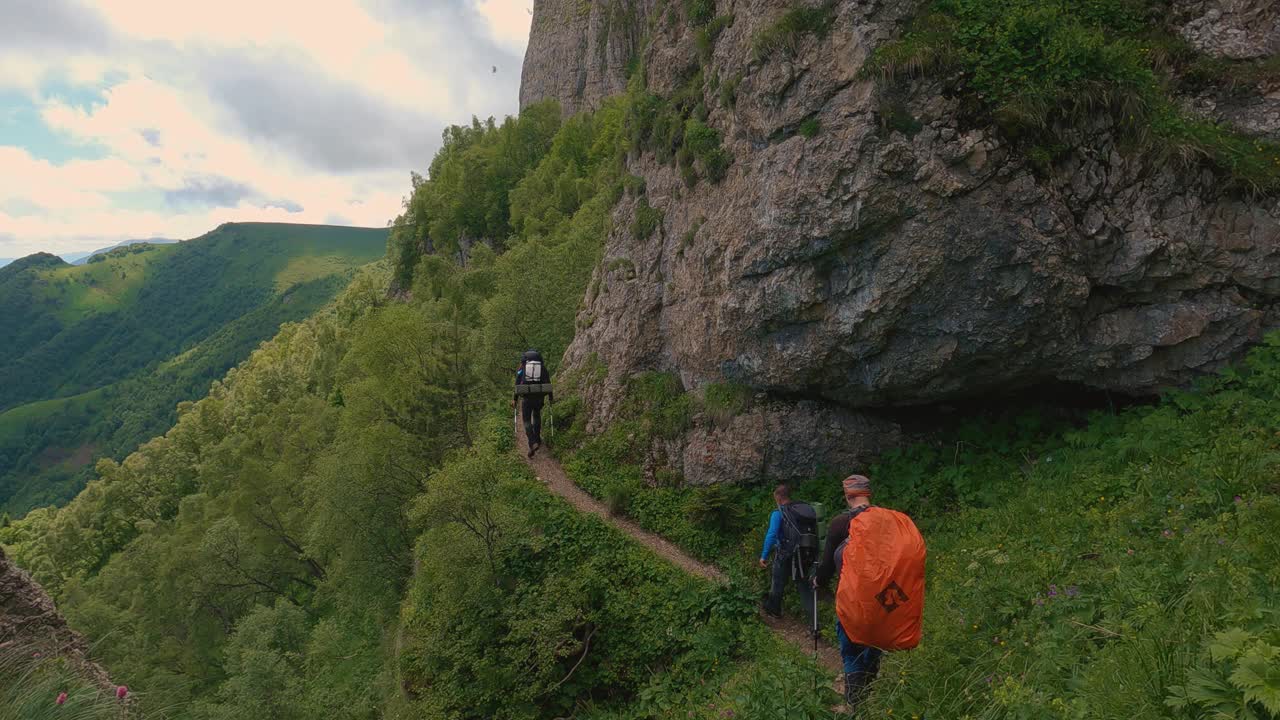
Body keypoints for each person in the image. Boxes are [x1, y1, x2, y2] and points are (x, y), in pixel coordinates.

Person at [814, 474, 883, 709]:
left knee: (851, 651)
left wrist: (818, 582)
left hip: (850, 602)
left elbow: (826, 565)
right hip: (881, 600)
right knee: (874, 645)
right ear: (868, 493)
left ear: (847, 495)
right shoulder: (884, 520)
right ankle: (872, 690)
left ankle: (855, 704)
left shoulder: (840, 524)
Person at [758, 484, 817, 627]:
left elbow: (771, 535)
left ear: (778, 497)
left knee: (778, 582)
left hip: (785, 554)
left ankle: (774, 610)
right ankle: (814, 623)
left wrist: (764, 556)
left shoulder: (779, 513)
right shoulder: (801, 511)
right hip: (803, 554)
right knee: (803, 586)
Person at [513, 349, 552, 457]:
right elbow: (548, 383)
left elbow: (517, 386)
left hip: (527, 399)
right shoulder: (542, 368)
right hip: (539, 398)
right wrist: (550, 398)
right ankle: (537, 439)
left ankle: (532, 442)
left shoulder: (522, 370)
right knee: (536, 417)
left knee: (526, 420)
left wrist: (515, 400)